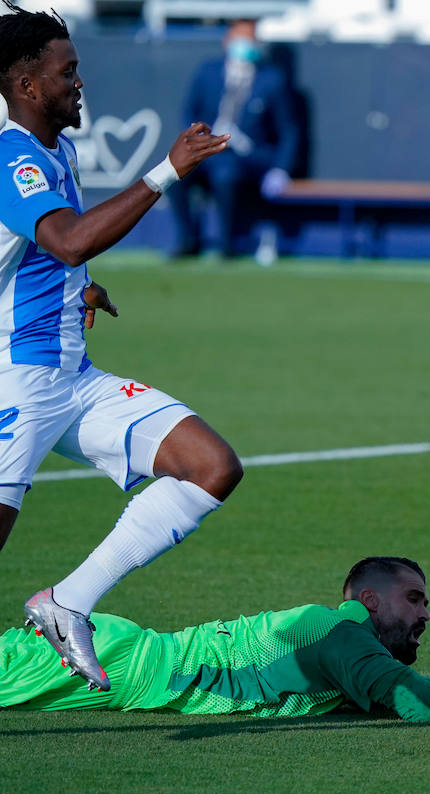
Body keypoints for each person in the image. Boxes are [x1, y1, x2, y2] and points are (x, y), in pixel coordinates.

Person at [0, 3, 243, 692]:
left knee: (211, 466)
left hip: (71, 378)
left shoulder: (59, 150)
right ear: (27, 87)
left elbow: (54, 254)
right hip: (15, 380)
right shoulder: (10, 157)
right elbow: (68, 238)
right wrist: (165, 171)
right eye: (67, 72)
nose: (79, 82)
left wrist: (81, 285)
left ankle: (66, 603)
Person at [0, 555, 430, 718]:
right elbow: (418, 706)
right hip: (121, 665)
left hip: (128, 665)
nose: (424, 614)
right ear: (368, 600)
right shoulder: (341, 637)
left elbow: (412, 686)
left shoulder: (348, 646)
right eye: (413, 598)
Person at [167, 18, 301, 259]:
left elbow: (288, 130)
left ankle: (227, 244)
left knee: (225, 175)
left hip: (248, 156)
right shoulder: (208, 71)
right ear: (227, 41)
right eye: (239, 39)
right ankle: (187, 240)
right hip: (208, 151)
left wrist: (281, 169)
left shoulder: (272, 80)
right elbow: (190, 112)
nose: (244, 45)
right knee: (174, 177)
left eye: (250, 40)